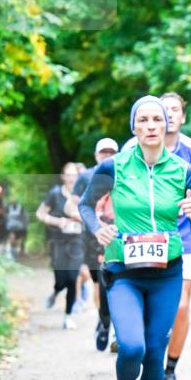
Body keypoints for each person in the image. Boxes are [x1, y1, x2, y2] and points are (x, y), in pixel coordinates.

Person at [79, 96, 191, 380]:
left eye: (158, 119)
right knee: (132, 346)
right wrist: (97, 228)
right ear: (134, 126)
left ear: (168, 125)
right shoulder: (115, 167)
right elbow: (86, 205)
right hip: (125, 272)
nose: (152, 125)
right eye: (144, 119)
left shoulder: (183, 170)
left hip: (167, 272)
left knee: (154, 351)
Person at [124, 92, 191, 380]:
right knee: (148, 307)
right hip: (141, 238)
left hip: (183, 239)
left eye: (174, 111)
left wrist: (189, 207)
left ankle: (169, 371)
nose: (169, 116)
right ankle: (144, 358)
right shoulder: (130, 150)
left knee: (182, 306)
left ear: (181, 117)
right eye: (164, 110)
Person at [72, 138, 119, 350]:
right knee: (99, 283)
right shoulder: (85, 177)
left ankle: (116, 328)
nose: (107, 156)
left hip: (117, 234)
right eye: (103, 152)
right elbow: (73, 205)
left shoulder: (125, 172)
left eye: (112, 152)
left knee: (117, 280)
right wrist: (91, 219)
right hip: (92, 236)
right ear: (96, 155)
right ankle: (103, 319)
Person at [36, 163, 85, 329]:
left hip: (77, 241)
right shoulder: (55, 194)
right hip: (58, 241)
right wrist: (58, 221)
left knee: (72, 278)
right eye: (68, 175)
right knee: (61, 279)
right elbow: (40, 213)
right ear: (63, 177)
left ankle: (67, 316)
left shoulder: (83, 194)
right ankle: (56, 291)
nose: (71, 178)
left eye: (74, 175)